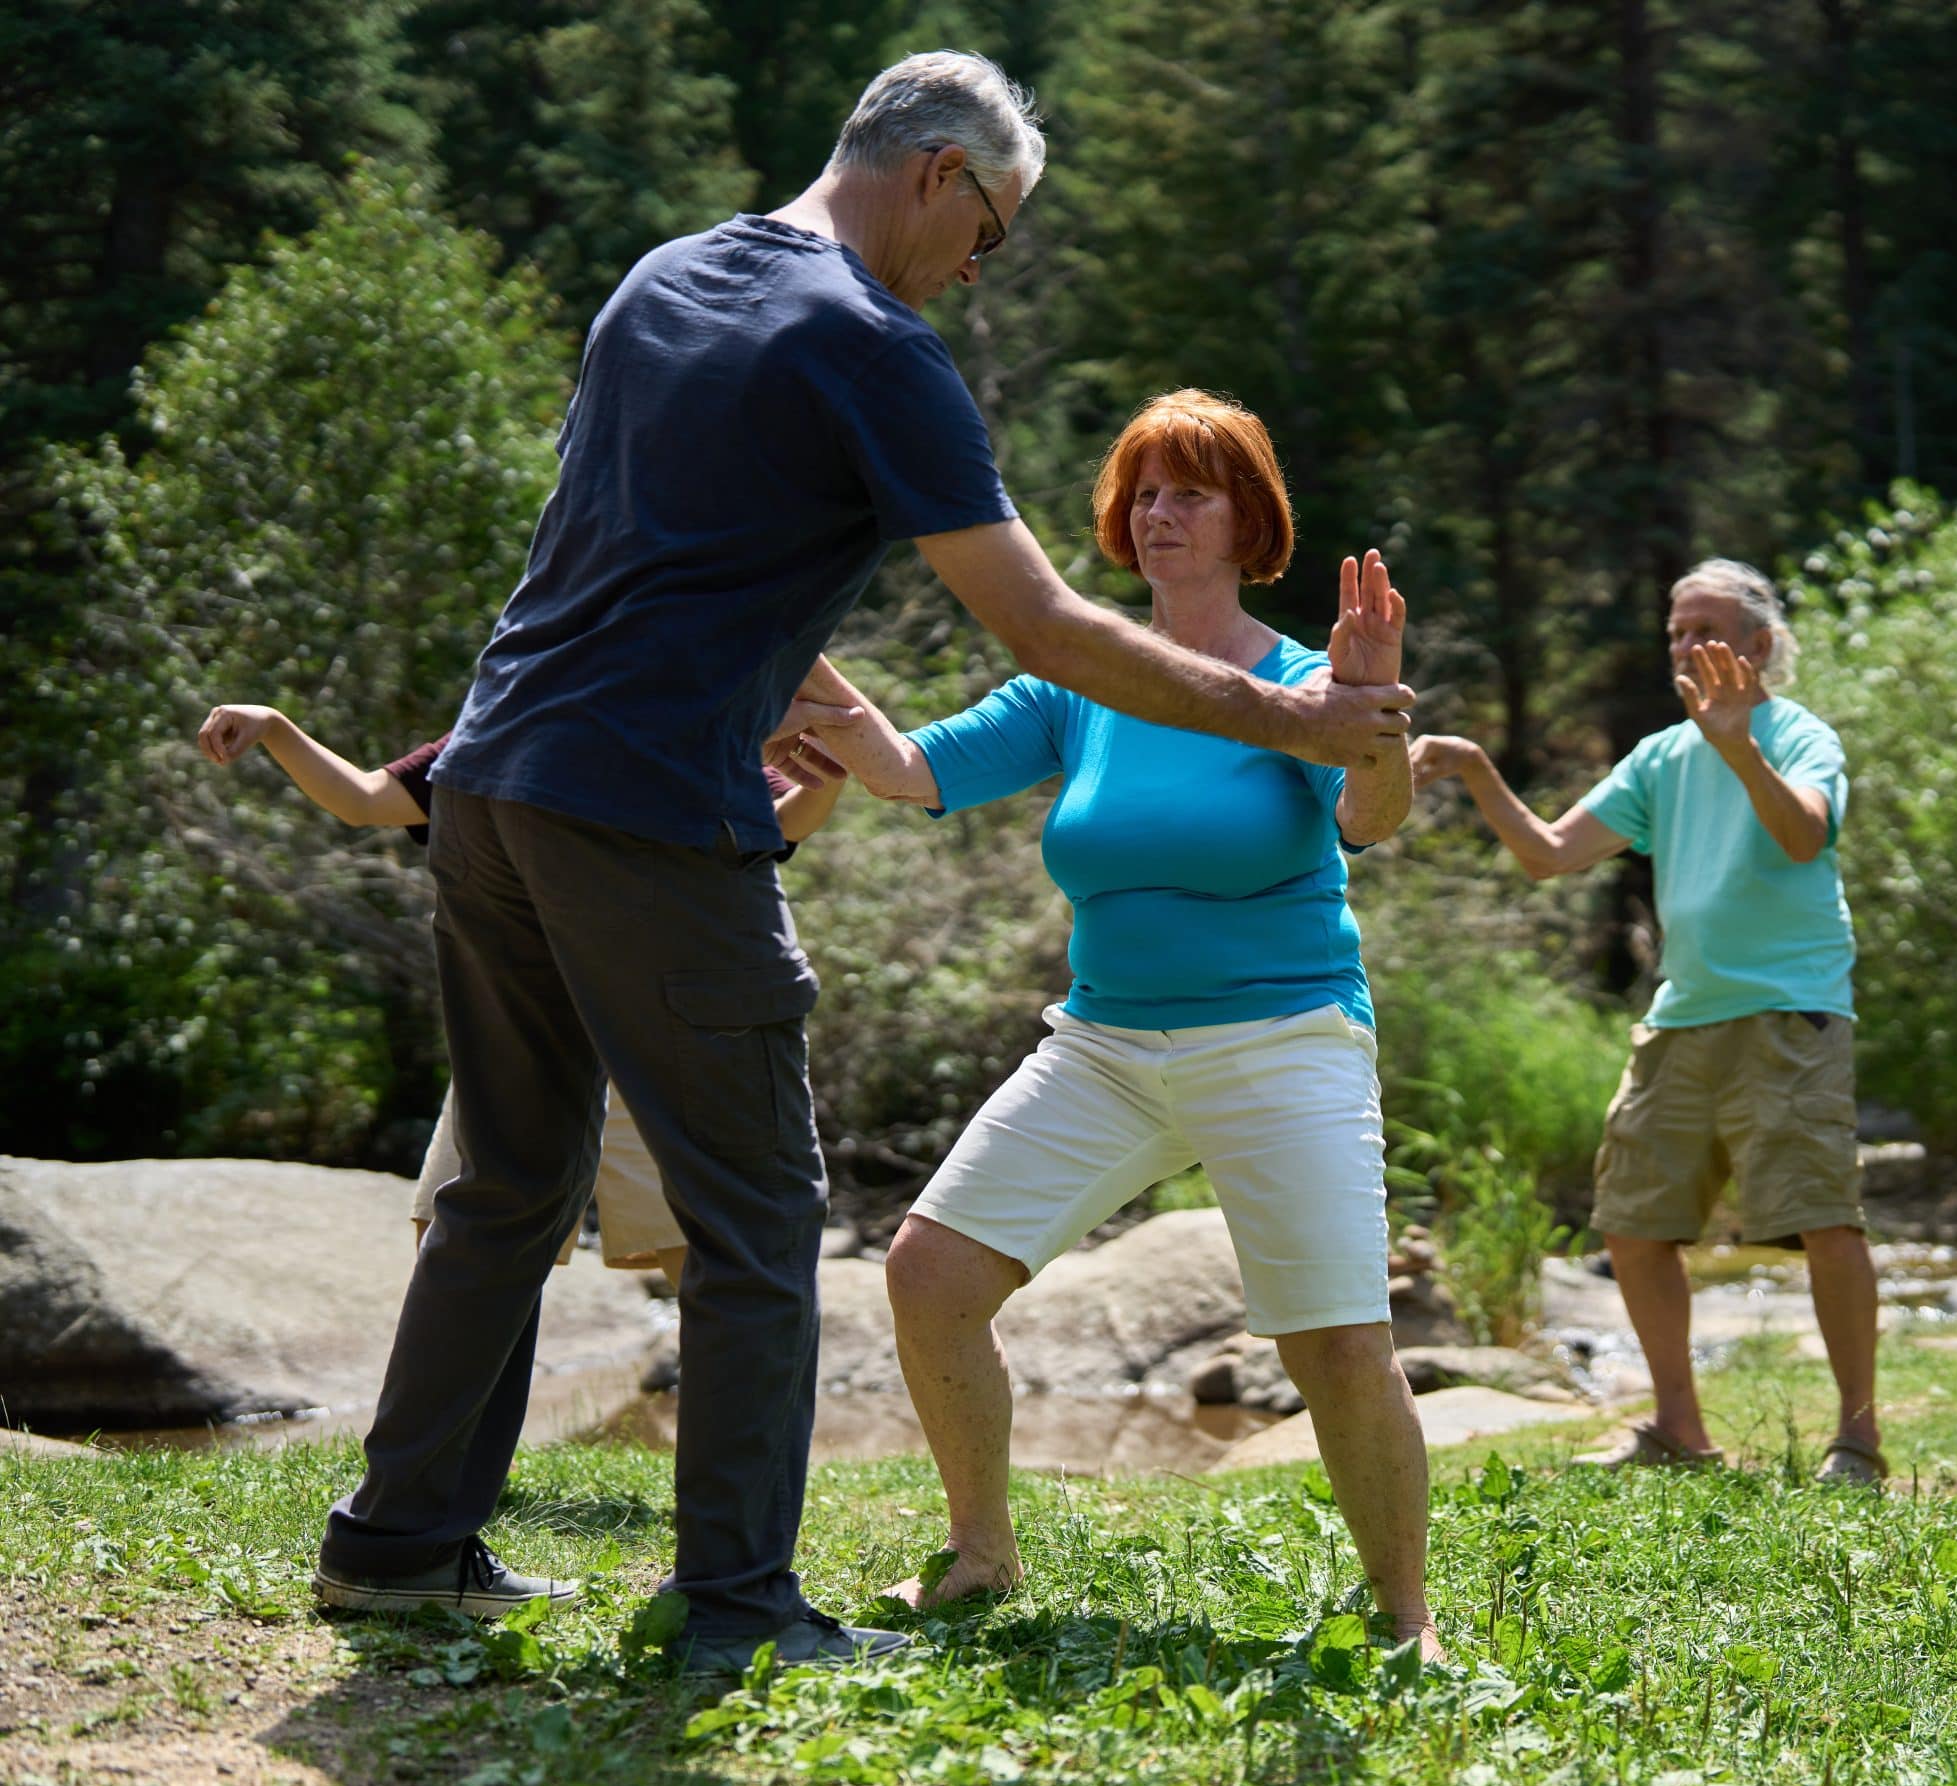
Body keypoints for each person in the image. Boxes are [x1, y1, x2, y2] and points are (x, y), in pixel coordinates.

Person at [310, 52, 1413, 1671]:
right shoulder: (873, 346)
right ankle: (741, 1606)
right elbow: (1042, 623)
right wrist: (1295, 718)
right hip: (645, 810)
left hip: (490, 781)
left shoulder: (666, 274)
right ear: (942, 173)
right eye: (996, 232)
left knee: (508, 1182)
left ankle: (396, 1548)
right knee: (759, 1213)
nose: (982, 270)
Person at [799, 391, 1441, 1663]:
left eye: (1191, 491)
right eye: (1144, 492)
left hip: (1282, 1039)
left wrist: (1369, 717)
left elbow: (1374, 821)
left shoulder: (1299, 682)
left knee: (1339, 1345)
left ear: (1249, 519)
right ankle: (981, 1556)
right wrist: (784, 643)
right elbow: (909, 771)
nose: (1160, 514)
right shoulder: (1076, 683)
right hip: (1103, 1047)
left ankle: (1403, 1618)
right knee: (929, 1274)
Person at [1410, 561, 1885, 1486]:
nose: (1684, 646)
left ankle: (1858, 1439)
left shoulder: (1800, 735)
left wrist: (1740, 745)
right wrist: (1473, 766)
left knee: (1825, 1218)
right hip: (1683, 1015)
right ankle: (1679, 1428)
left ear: (1758, 647)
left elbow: (1803, 835)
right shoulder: (1663, 755)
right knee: (1632, 1223)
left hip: (1790, 1012)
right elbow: (1549, 855)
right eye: (1674, 631)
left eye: (1704, 629)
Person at [196, 703, 842, 1297]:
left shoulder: (682, 722)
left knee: (692, 1252)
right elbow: (364, 799)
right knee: (452, 1234)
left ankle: (725, 1424)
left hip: (651, 1030)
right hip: (524, 1020)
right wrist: (276, 727)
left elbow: (782, 823)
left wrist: (828, 778)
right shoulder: (505, 723)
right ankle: (466, 1425)